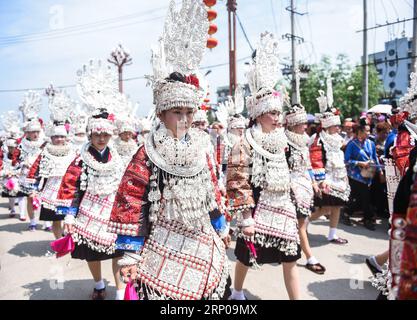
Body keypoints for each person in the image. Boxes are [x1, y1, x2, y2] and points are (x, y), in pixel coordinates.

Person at [112, 0, 231, 300]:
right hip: (163, 242)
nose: (185, 119)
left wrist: (220, 224)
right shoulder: (147, 152)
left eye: (189, 112)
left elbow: (210, 190)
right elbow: (132, 201)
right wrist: (131, 252)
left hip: (201, 238)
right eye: (177, 111)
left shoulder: (201, 146)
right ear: (162, 114)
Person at [227, 32, 301, 300]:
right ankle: (236, 292)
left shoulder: (285, 141)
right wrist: (245, 218)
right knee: (246, 258)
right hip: (258, 209)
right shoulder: (244, 142)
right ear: (259, 113)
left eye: (279, 112)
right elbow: (237, 182)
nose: (278, 117)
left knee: (291, 258)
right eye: (273, 112)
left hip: (284, 207)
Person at [56, 60, 125, 300]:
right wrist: (70, 215)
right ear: (90, 134)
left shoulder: (117, 157)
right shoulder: (80, 159)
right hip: (88, 213)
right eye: (98, 134)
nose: (102, 138)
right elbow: (71, 189)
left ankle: (120, 292)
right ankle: (98, 285)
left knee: (119, 252)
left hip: (112, 212)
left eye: (106, 134)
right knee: (92, 254)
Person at [27, 90, 76, 239]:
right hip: (51, 191)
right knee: (56, 219)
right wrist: (34, 189)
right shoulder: (45, 152)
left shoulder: (73, 152)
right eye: (56, 137)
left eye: (62, 136)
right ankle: (59, 242)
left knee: (70, 219)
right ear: (51, 137)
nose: (59, 139)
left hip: (69, 190)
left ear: (66, 138)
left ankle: (69, 240)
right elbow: (35, 170)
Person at [285, 103, 325, 274]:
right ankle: (309, 257)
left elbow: (307, 164)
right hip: (290, 188)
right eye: (302, 123)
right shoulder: (284, 142)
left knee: (302, 222)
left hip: (305, 187)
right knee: (300, 223)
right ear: (293, 124)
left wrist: (314, 182)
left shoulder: (303, 141)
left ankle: (292, 250)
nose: (306, 126)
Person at [309, 79, 350, 244]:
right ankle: (301, 225)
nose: (338, 128)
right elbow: (316, 161)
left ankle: (332, 233)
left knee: (337, 207)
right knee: (325, 208)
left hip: (339, 178)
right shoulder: (318, 139)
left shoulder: (337, 138)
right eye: (335, 126)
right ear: (327, 126)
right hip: (325, 179)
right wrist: (320, 181)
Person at [345, 118, 384, 231]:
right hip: (356, 175)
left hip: (369, 174)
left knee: (359, 198)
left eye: (369, 131)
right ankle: (368, 219)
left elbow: (374, 158)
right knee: (365, 197)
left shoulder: (371, 143)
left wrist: (380, 171)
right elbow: (346, 161)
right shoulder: (352, 144)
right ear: (360, 131)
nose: (369, 133)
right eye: (366, 131)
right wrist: (359, 163)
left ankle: (347, 212)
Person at [18, 91, 46, 231]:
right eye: (32, 132)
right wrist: (23, 163)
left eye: (37, 131)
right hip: (28, 175)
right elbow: (16, 159)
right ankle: (33, 221)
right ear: (27, 133)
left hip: (42, 175)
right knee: (30, 198)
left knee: (44, 199)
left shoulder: (45, 143)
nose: (35, 134)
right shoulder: (22, 144)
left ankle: (47, 223)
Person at [0, 111, 24, 218]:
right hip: (7, 176)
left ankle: (22, 213)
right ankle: (12, 209)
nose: (11, 149)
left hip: (19, 176)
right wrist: (6, 173)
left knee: (22, 196)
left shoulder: (21, 153)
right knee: (11, 196)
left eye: (13, 147)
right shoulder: (3, 154)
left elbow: (23, 165)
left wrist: (18, 173)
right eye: (9, 147)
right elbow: (2, 165)